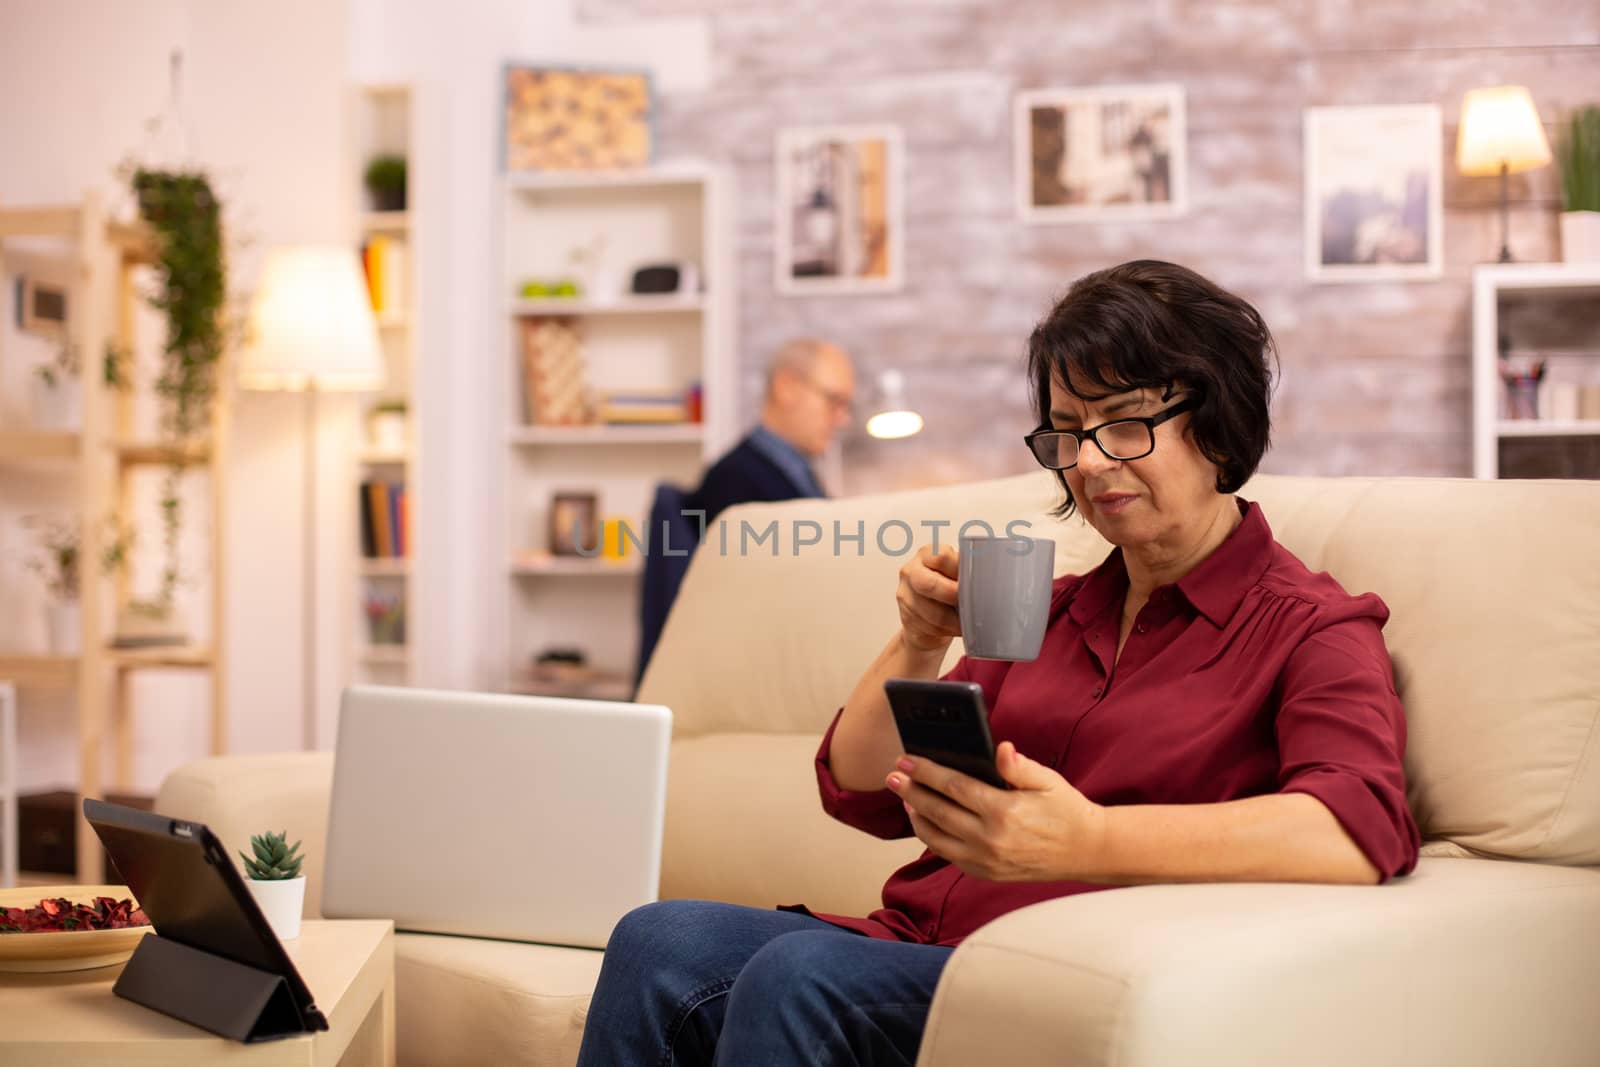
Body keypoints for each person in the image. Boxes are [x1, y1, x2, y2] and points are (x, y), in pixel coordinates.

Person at [584, 260, 1421, 1066]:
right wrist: (916, 637)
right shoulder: (1049, 612)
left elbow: (1356, 828)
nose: (1090, 462)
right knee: (655, 940)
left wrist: (1088, 838)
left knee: (798, 977)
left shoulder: (1310, 626)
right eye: (1068, 432)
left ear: (1220, 420)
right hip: (914, 944)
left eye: (1124, 424)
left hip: (1061, 975)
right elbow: (860, 786)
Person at [635, 338, 856, 686]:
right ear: (786, 388)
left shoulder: (789, 472)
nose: (841, 418)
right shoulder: (737, 480)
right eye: (833, 400)